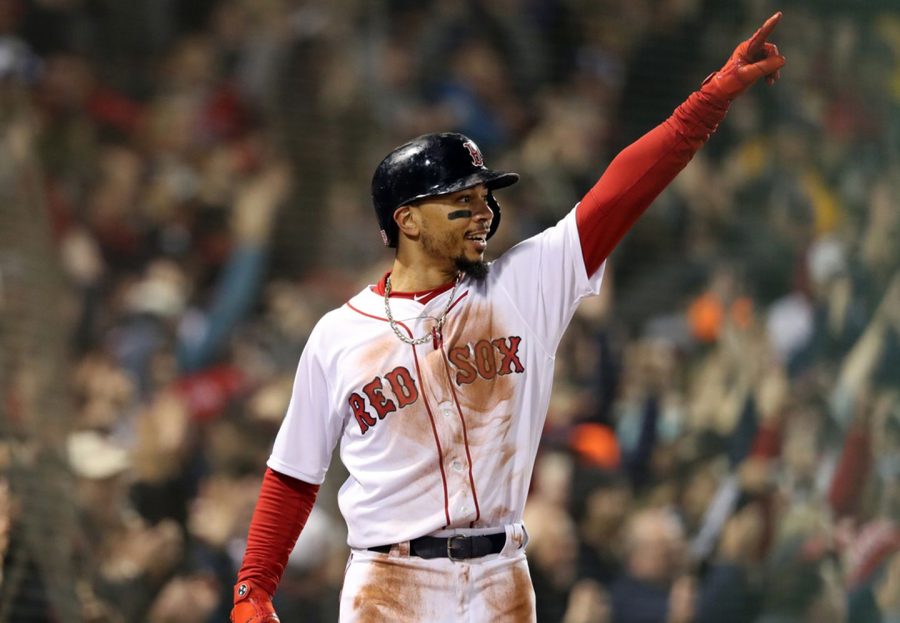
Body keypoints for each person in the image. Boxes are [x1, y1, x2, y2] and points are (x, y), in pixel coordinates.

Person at [230, 13, 786, 623]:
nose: (485, 213)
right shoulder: (338, 335)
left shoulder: (524, 284)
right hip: (389, 582)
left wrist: (708, 102)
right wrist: (254, 587)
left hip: (502, 578)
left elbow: (622, 191)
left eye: (486, 197)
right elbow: (293, 474)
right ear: (406, 220)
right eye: (462, 202)